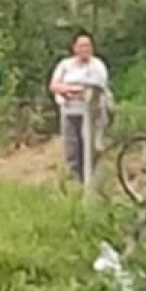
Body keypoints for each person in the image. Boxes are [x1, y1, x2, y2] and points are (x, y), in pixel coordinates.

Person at [49, 31, 110, 183]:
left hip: (90, 113)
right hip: (69, 111)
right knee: (71, 147)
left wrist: (71, 89)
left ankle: (90, 181)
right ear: (74, 48)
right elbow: (54, 85)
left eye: (88, 45)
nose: (85, 49)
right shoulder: (65, 65)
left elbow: (95, 88)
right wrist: (68, 90)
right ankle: (74, 181)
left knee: (89, 147)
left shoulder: (97, 65)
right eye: (82, 45)